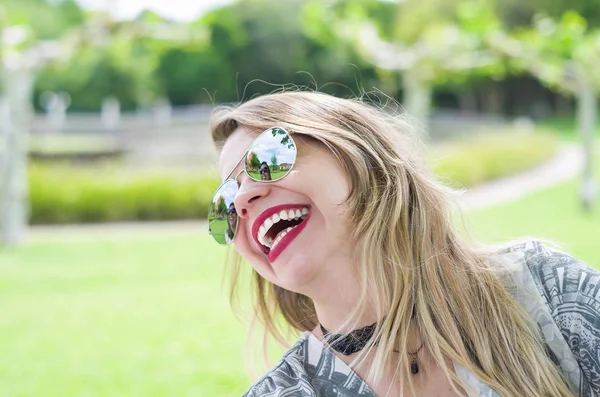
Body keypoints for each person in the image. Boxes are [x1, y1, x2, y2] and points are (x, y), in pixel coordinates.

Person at [207, 91, 600, 397]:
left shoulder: (542, 288)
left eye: (268, 158)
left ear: (358, 154)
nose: (241, 200)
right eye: (224, 201)